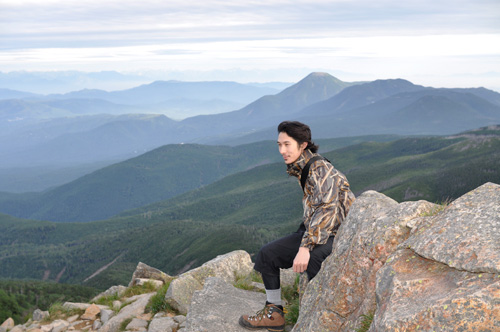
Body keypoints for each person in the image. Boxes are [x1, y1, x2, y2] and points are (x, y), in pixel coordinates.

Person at [239, 121, 355, 331]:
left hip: (338, 234)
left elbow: (326, 209)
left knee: (312, 260)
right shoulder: (304, 167)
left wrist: (305, 247)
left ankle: (325, 318)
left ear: (303, 145)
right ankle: (274, 314)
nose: (282, 151)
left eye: (287, 144)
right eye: (279, 145)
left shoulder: (321, 169)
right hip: (319, 231)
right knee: (268, 254)